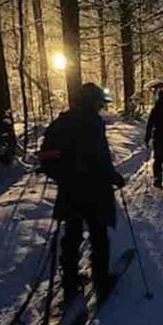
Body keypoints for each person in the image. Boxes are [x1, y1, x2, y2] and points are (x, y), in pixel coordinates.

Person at [52, 83, 126, 301]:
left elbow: (48, 157)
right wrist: (112, 176)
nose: (100, 107)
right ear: (91, 102)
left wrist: (63, 177)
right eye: (98, 103)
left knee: (72, 235)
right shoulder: (92, 123)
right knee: (98, 235)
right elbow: (100, 159)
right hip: (95, 191)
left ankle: (70, 281)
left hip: (70, 191)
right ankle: (101, 279)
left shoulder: (62, 122)